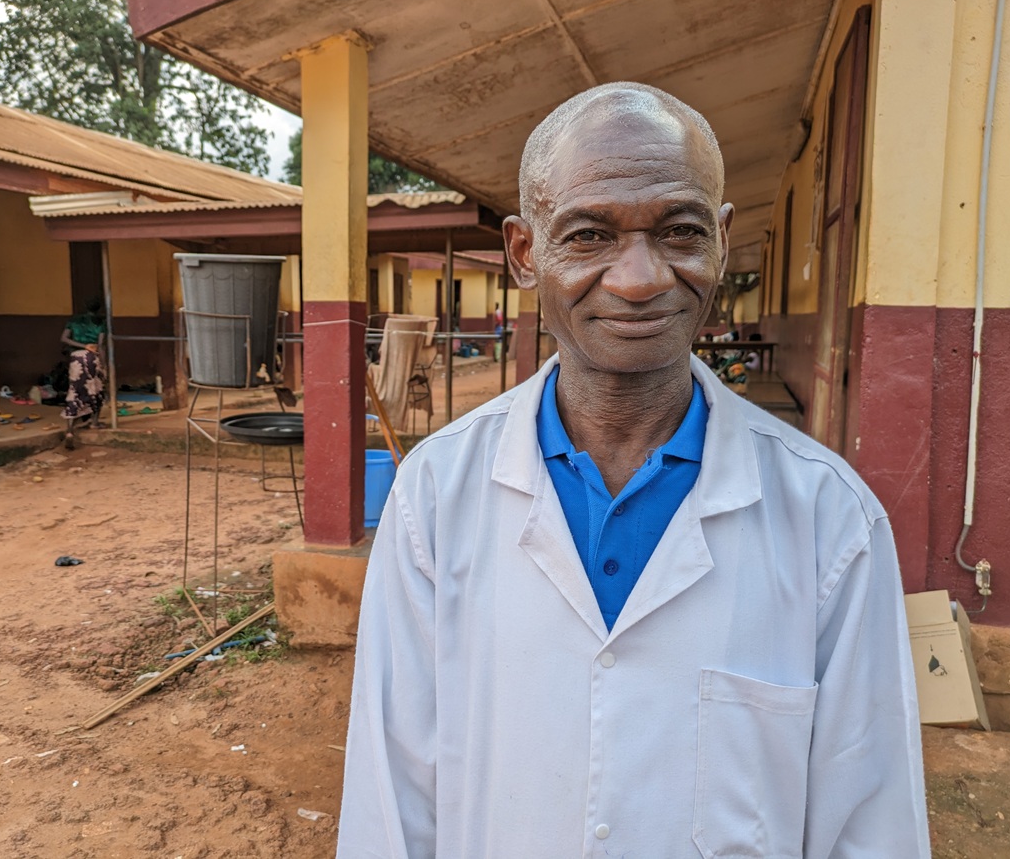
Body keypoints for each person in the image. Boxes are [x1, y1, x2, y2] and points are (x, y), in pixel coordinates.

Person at [338, 84, 929, 858]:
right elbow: (390, 802)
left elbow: (871, 823)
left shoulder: (831, 519)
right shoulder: (435, 497)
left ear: (721, 241)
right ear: (525, 253)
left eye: (681, 231)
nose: (640, 278)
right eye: (588, 235)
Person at [60, 299, 107, 449]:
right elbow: (101, 345)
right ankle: (94, 422)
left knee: (74, 391)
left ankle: (69, 430)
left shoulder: (74, 320)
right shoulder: (100, 322)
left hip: (76, 358)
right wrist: (104, 365)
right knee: (97, 390)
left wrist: (82, 345)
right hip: (92, 358)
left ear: (85, 306)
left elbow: (64, 338)